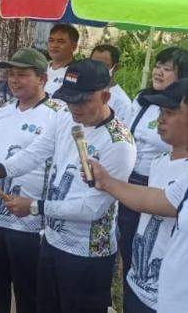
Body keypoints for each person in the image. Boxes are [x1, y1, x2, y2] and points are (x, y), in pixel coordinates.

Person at [0, 59, 137, 313]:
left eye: (82, 100)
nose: (74, 108)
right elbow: (37, 152)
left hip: (87, 252)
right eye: (70, 100)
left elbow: (91, 209)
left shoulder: (118, 143)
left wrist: (35, 207)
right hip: (53, 240)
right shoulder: (66, 118)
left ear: (105, 96)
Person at [86, 87, 188, 312]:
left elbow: (165, 202)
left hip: (168, 297)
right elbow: (152, 204)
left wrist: (107, 181)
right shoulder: (161, 161)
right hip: (137, 284)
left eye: (170, 112)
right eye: (160, 111)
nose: (160, 119)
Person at [0, 48, 59, 313]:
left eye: (22, 75)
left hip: (29, 225)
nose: (14, 80)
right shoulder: (3, 112)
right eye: (11, 74)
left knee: (29, 295)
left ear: (42, 78)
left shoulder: (58, 115)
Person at [119, 47, 188, 297]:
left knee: (159, 244)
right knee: (132, 245)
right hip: (132, 181)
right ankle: (132, 293)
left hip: (163, 185)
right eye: (158, 65)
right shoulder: (142, 99)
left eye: (167, 68)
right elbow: (124, 131)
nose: (158, 71)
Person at [90, 44, 131, 122]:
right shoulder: (82, 89)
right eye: (93, 63)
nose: (97, 69)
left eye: (103, 65)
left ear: (116, 68)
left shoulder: (123, 103)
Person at [45, 23, 79, 96]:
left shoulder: (78, 73)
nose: (54, 45)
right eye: (51, 40)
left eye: (60, 41)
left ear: (74, 46)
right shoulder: (40, 68)